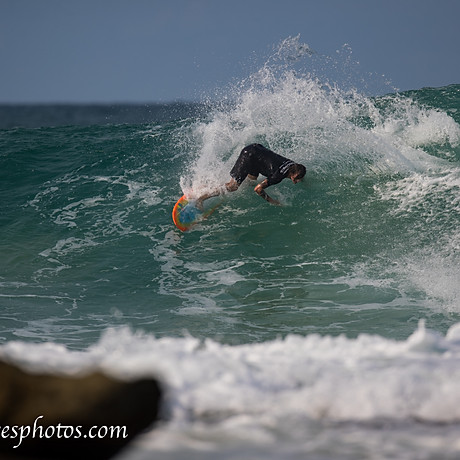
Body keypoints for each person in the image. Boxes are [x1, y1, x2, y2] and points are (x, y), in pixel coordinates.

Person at [196, 143, 306, 208]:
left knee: (250, 181)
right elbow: (258, 189)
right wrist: (273, 201)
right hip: (249, 156)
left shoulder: (293, 164)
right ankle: (201, 198)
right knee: (233, 187)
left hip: (257, 151)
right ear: (292, 174)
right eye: (295, 179)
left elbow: (300, 171)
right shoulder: (278, 176)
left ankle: (208, 186)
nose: (295, 182)